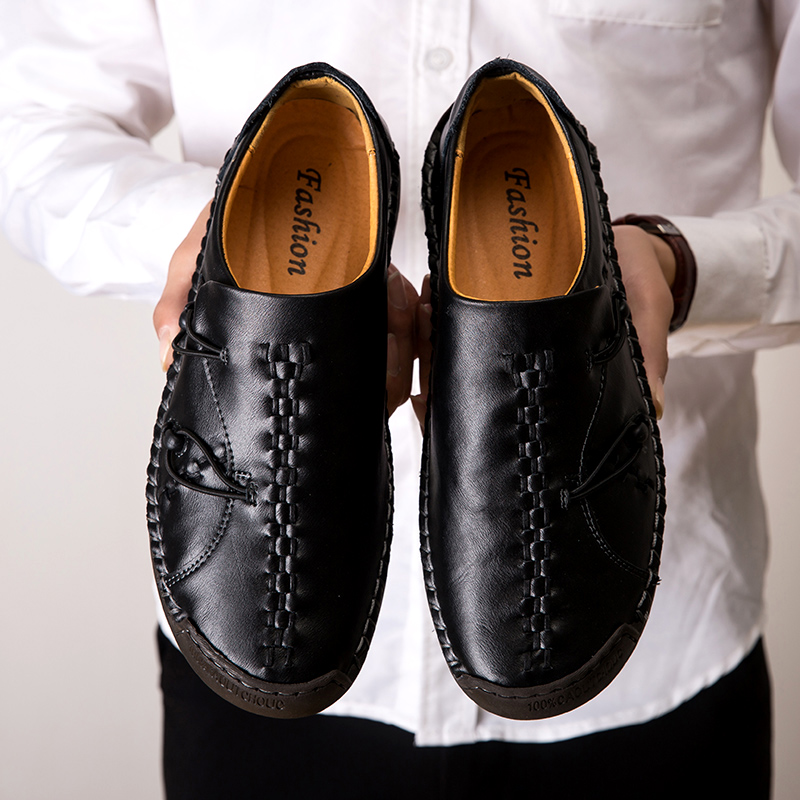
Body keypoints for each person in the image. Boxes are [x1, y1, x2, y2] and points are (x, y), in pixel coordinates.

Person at [1, 3, 798, 798]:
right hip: (246, 707)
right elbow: (30, 121)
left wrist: (681, 267)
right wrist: (217, 246)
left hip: (667, 668)